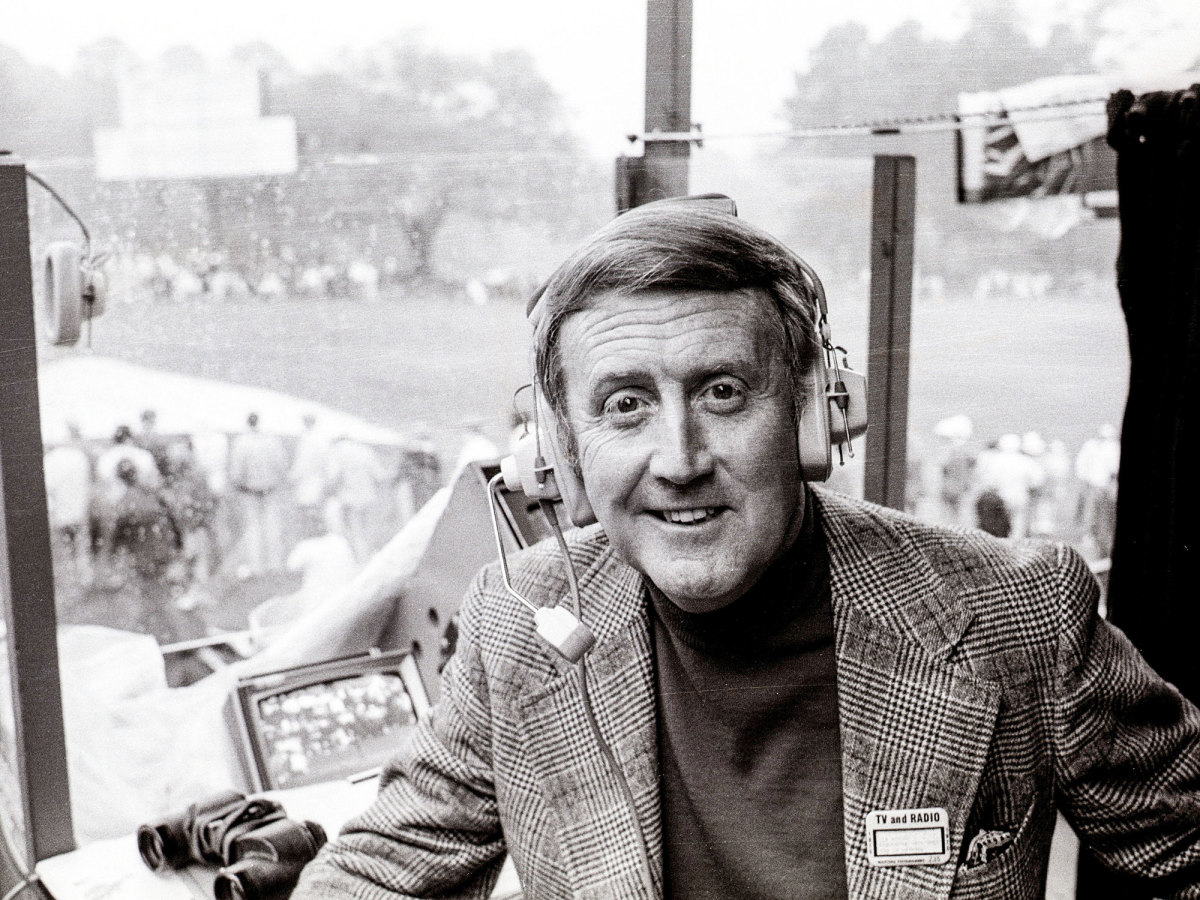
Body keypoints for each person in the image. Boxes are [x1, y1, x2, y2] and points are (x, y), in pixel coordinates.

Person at [294, 201, 1200, 899]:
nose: (679, 461)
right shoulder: (518, 620)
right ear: (559, 452)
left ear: (813, 417)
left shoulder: (1019, 613)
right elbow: (383, 864)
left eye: (724, 392)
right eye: (624, 405)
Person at [227, 412, 289, 577]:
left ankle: (257, 566)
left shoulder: (242, 442)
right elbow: (281, 464)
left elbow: (236, 470)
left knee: (254, 528)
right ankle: (275, 563)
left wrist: (238, 483)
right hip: (269, 488)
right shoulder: (271, 441)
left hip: (250, 490)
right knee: (272, 526)